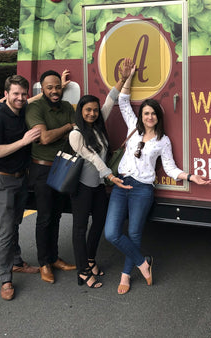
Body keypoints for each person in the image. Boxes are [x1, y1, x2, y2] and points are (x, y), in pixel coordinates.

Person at [104, 58, 210, 295]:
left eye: (153, 114)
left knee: (133, 233)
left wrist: (191, 177)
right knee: (111, 233)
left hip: (142, 189)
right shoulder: (133, 125)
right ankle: (143, 263)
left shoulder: (163, 141)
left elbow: (171, 168)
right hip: (121, 185)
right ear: (141, 115)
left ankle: (125, 275)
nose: (149, 117)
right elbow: (122, 100)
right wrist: (129, 76)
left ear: (158, 118)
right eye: (146, 113)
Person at [68, 62, 133, 289]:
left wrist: (123, 79)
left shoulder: (98, 124)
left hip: (97, 186)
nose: (93, 113)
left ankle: (90, 260)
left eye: (94, 110)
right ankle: (83, 272)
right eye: (88, 110)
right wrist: (110, 176)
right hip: (83, 187)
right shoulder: (75, 134)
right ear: (80, 111)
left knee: (98, 224)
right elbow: (93, 157)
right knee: (79, 228)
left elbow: (110, 100)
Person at [0, 75, 41, 301]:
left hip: (20, 179)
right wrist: (23, 141)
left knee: (15, 222)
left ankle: (16, 261)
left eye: (23, 94)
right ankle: (6, 279)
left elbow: (34, 99)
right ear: (5, 94)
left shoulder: (23, 108)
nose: (20, 98)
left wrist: (62, 86)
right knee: (6, 230)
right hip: (1, 180)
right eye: (15, 94)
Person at [25, 69, 77, 284]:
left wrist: (69, 129)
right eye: (50, 87)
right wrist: (67, 127)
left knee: (56, 215)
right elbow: (44, 138)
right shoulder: (35, 108)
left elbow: (78, 132)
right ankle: (44, 263)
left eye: (57, 87)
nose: (54, 91)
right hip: (42, 169)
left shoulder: (66, 106)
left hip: (63, 167)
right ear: (42, 89)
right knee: (45, 217)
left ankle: (54, 258)